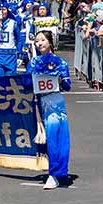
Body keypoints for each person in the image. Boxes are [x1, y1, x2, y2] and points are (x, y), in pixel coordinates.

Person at [27, 31, 71, 190]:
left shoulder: (60, 63)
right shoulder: (33, 62)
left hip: (54, 104)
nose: (39, 43)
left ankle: (55, 174)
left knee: (56, 140)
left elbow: (67, 86)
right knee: (41, 140)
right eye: (37, 40)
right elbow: (26, 83)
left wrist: (59, 80)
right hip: (38, 104)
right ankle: (50, 169)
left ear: (50, 42)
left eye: (43, 40)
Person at [0, 0, 22, 76]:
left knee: (11, 80)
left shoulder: (13, 23)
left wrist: (19, 54)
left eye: (4, 9)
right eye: (0, 9)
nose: (2, 12)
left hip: (10, 55)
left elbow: (19, 39)